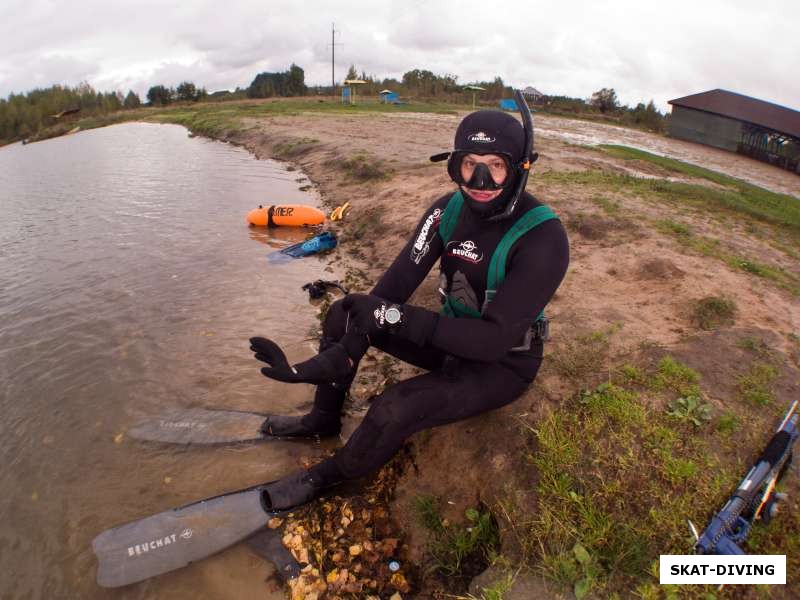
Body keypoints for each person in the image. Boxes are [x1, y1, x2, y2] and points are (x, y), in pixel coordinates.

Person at [250, 96, 570, 511]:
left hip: (503, 363)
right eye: (468, 164)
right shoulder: (444, 213)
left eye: (496, 165)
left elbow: (493, 341)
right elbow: (389, 292)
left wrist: (398, 318)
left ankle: (327, 477)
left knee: (394, 407)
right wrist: (338, 355)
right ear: (453, 165)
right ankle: (321, 420)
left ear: (520, 169)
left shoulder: (544, 238)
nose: (480, 180)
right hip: (453, 343)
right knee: (345, 310)